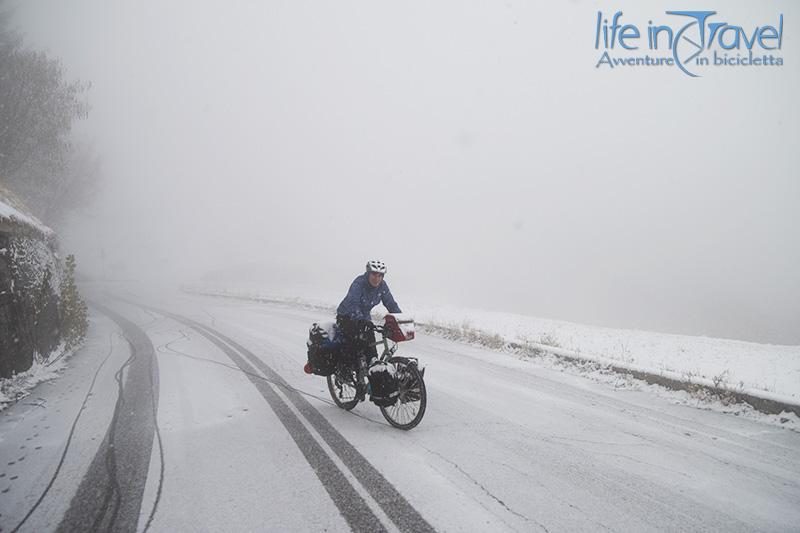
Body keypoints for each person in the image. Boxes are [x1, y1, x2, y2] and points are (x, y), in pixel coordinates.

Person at [336, 260, 402, 399]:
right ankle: (344, 371)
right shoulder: (359, 283)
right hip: (346, 316)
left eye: (380, 275)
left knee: (372, 351)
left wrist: (399, 318)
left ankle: (374, 382)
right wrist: (360, 319)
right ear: (368, 273)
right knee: (355, 343)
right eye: (374, 274)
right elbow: (353, 302)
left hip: (364, 318)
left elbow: (390, 303)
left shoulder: (382, 286)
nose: (377, 278)